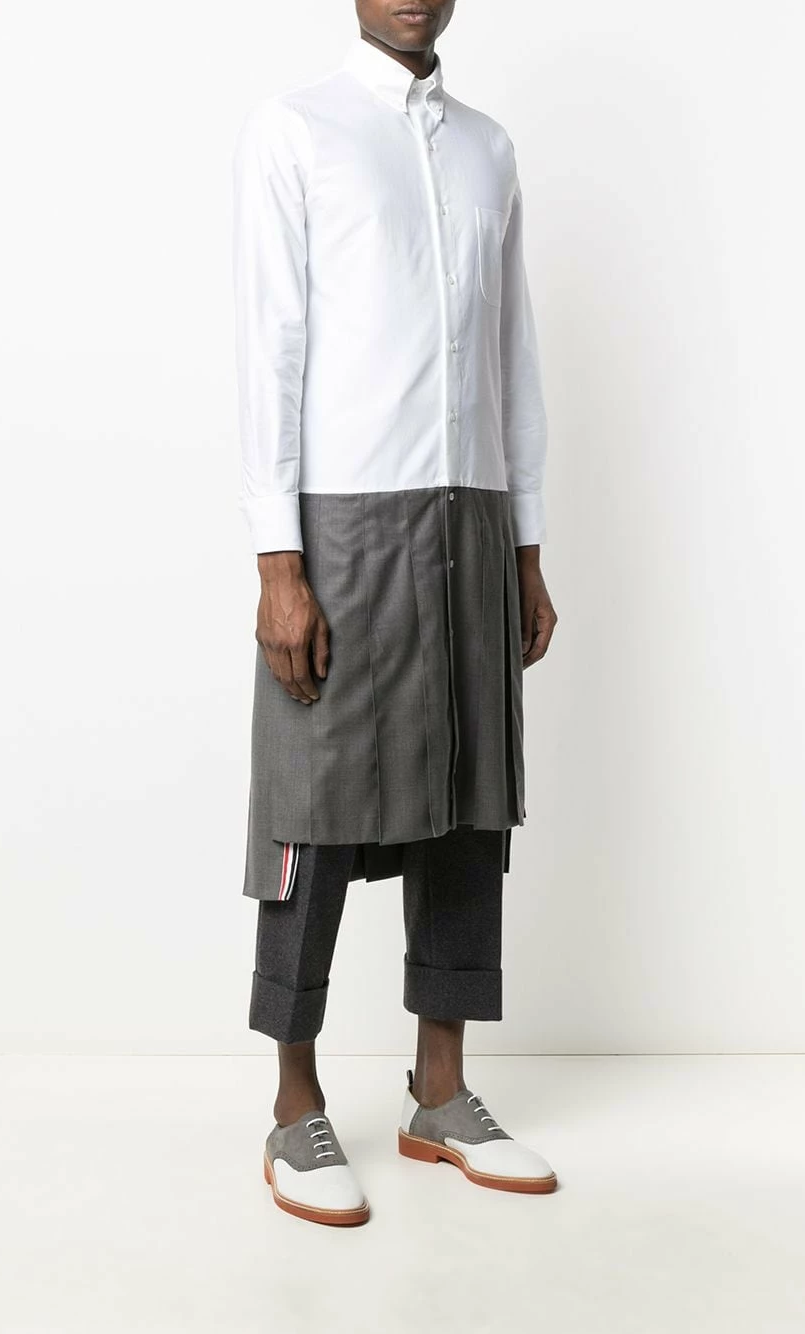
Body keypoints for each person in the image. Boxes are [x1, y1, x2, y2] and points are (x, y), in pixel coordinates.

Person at [232, 0, 558, 1226]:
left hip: (473, 514)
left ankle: (441, 1091)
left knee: (471, 801)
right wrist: (277, 558)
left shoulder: (489, 148)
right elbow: (270, 345)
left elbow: (511, 353)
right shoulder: (296, 130)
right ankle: (294, 1103)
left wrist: (526, 545)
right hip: (342, 521)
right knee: (310, 803)